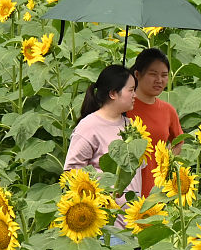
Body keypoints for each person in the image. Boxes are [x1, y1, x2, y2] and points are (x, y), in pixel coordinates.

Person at [64, 63, 141, 198]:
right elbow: (72, 171)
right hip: (104, 213)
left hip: (132, 215)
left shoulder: (131, 127)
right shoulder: (89, 126)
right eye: (131, 90)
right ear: (113, 93)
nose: (135, 95)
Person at [126, 48, 183, 197]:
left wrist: (166, 163)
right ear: (137, 75)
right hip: (126, 189)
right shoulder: (123, 107)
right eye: (153, 74)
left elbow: (179, 140)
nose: (159, 80)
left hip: (157, 191)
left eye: (164, 75)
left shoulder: (168, 110)